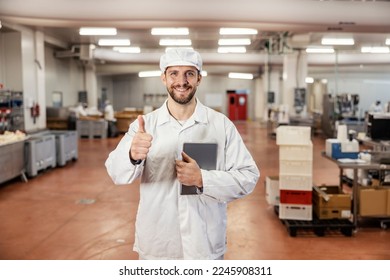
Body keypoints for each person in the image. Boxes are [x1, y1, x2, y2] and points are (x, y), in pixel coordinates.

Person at [105, 48, 260, 260]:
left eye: (189, 73)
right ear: (163, 78)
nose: (181, 80)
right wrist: (132, 155)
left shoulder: (220, 125)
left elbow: (248, 176)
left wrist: (203, 179)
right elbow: (115, 172)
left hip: (203, 244)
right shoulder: (145, 125)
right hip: (158, 244)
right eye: (174, 73)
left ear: (199, 79)